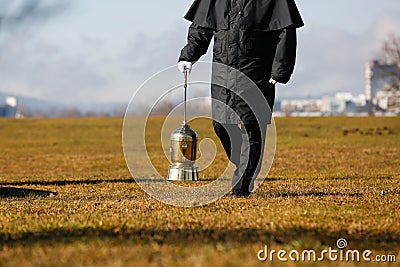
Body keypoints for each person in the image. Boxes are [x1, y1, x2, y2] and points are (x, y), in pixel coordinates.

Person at [178, 0, 304, 197]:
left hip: (255, 73)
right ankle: (245, 164)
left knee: (251, 129)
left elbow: (286, 32)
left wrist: (280, 70)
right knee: (220, 125)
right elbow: (201, 28)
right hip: (222, 73)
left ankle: (241, 186)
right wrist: (188, 56)